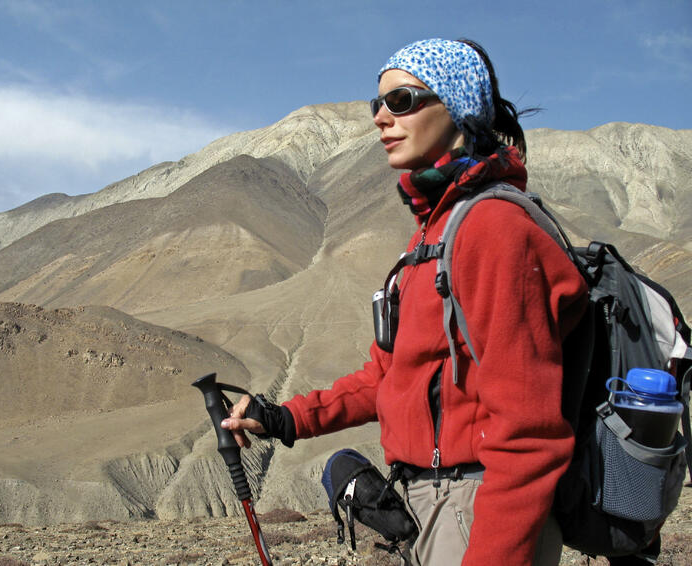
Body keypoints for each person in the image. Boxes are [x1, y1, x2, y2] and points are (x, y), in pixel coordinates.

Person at [221, 38, 588, 566]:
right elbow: (389, 378)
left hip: (477, 511)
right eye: (378, 105)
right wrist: (282, 419)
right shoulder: (431, 235)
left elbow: (529, 435)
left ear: (457, 107)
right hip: (431, 505)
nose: (380, 119)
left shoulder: (493, 229)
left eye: (401, 101)